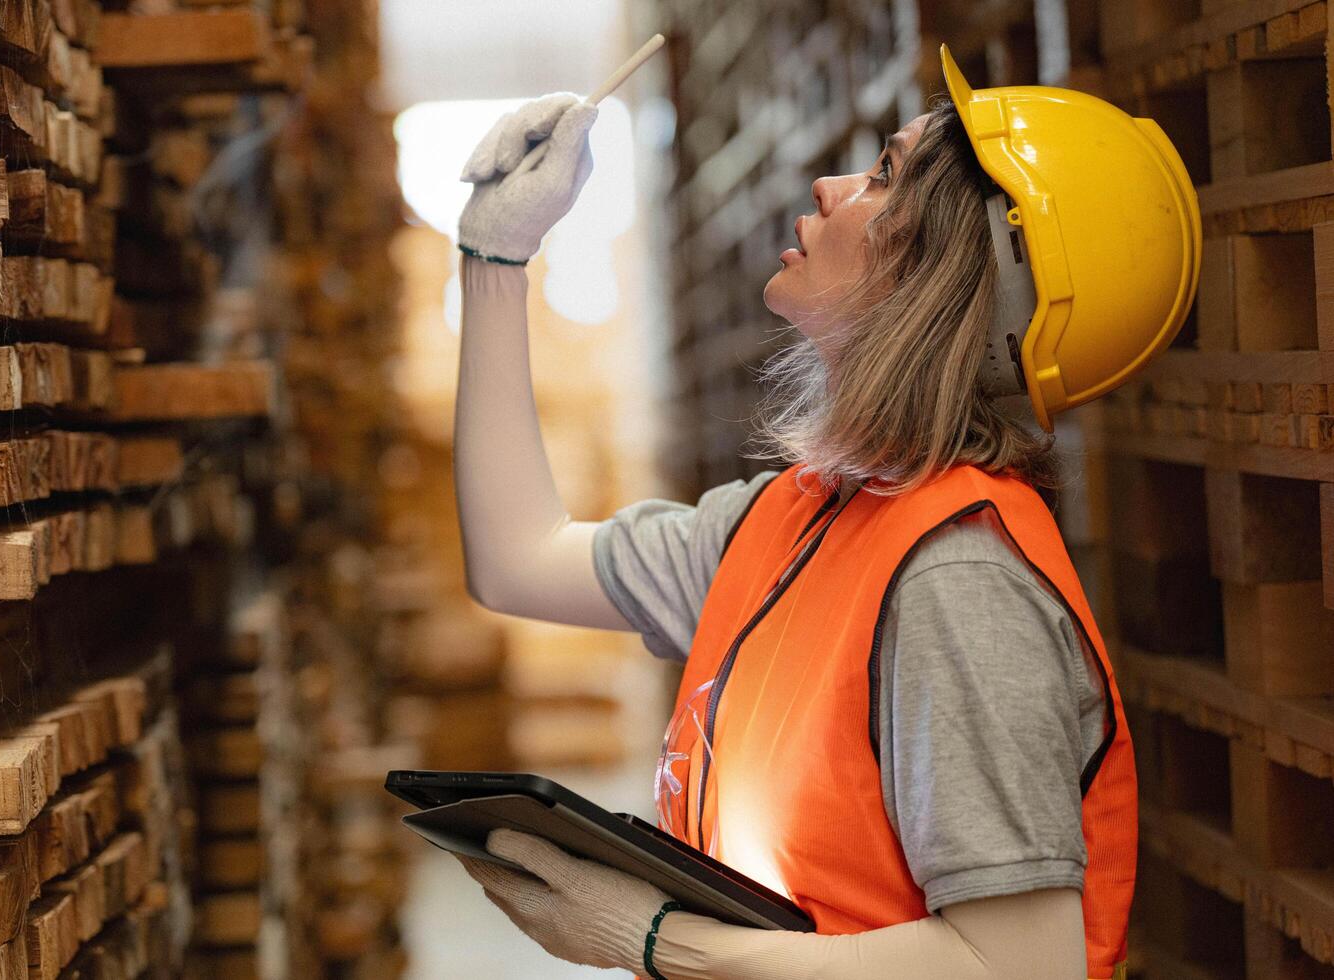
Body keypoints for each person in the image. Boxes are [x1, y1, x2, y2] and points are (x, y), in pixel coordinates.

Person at [449, 42, 1201, 980]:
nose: (829, 185)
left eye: (884, 176)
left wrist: (655, 941)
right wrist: (494, 259)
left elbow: (1019, 964)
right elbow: (519, 558)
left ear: (950, 277)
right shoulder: (791, 523)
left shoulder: (955, 583)